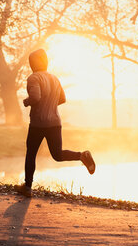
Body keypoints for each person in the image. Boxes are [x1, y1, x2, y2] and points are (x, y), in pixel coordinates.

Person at [16, 48, 95, 198]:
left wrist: (27, 102)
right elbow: (63, 98)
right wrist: (50, 104)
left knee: (31, 154)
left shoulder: (33, 78)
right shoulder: (54, 78)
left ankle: (27, 188)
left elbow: (36, 97)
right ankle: (82, 156)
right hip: (55, 122)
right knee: (57, 155)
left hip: (38, 123)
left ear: (32, 63)